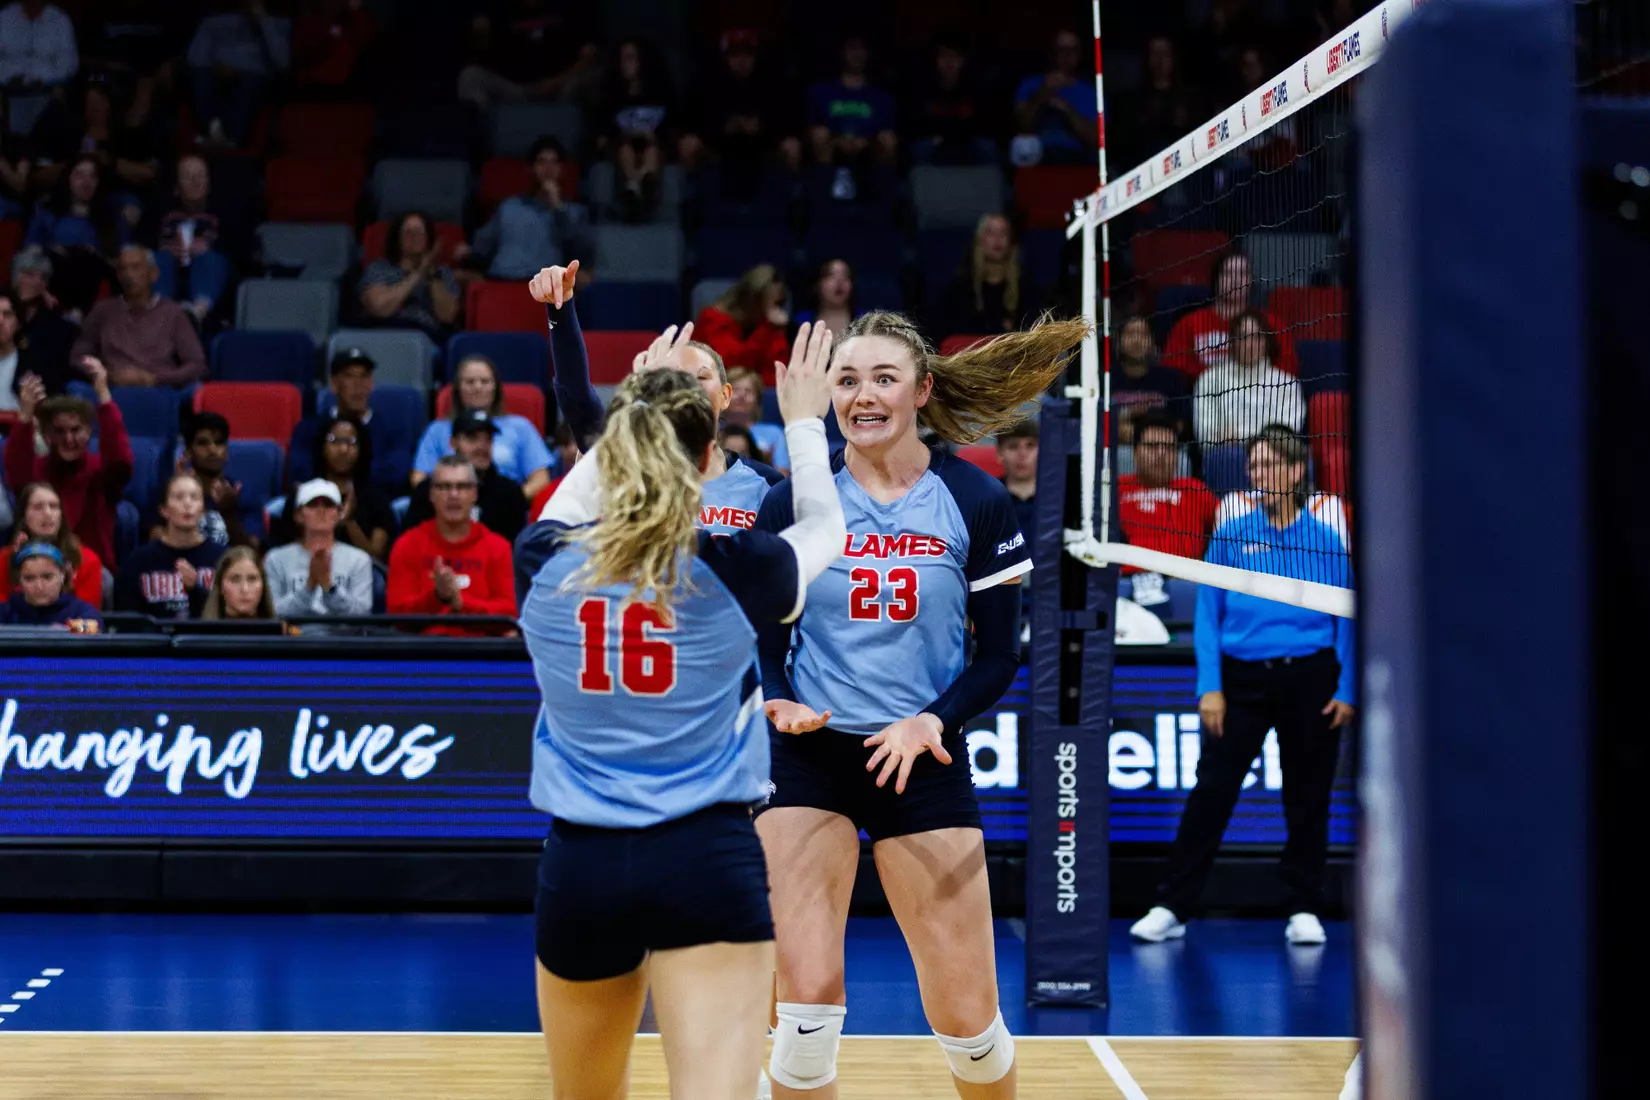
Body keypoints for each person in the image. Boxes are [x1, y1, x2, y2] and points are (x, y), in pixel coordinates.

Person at [753, 310, 1086, 1100]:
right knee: (801, 1022)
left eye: (883, 378)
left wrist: (934, 717)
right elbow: (763, 632)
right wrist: (777, 698)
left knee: (971, 1030)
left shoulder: (976, 500)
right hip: (810, 756)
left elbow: (1002, 653)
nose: (862, 396)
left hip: (924, 754)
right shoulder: (793, 496)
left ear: (922, 390)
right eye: (846, 379)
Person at [511, 318, 844, 1100]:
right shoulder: (738, 567)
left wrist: (638, 399)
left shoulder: (541, 559)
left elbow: (582, 492)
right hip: (704, 858)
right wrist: (802, 420)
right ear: (706, 460)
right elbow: (826, 525)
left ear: (622, 445)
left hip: (582, 866)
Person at [1130, 424, 1355, 947]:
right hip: (1242, 678)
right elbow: (1208, 612)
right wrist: (1210, 685)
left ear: (1297, 471)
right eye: (1254, 466)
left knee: (1308, 796)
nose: (1259, 474)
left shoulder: (1324, 539)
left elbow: (1349, 617)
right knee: (1212, 792)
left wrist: (1347, 688)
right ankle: (1172, 904)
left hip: (1312, 676)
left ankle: (1303, 905)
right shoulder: (1232, 532)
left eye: (1270, 464)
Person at [532, 262, 788, 540]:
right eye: (676, 377)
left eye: (701, 377)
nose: (688, 387)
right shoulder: (627, 464)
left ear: (726, 395)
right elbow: (577, 396)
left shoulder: (767, 485)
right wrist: (560, 309)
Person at [4, 361, 131, 568]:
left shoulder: (101, 471)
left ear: (89, 432)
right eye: (60, 431)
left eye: (75, 430)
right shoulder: (37, 470)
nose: (69, 439)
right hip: (37, 566)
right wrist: (26, 416)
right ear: (46, 436)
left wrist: (104, 396)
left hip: (91, 567)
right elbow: (17, 474)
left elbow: (120, 461)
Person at [387, 455, 515, 635]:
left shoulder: (498, 548)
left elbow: (510, 613)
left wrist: (461, 603)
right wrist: (436, 597)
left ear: (475, 494)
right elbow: (396, 615)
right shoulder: (407, 545)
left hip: (482, 656)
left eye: (462, 487)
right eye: (444, 487)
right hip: (421, 656)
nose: (453, 495)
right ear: (431, 494)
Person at [411, 354, 551, 498]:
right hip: (450, 504)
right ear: (458, 389)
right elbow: (419, 478)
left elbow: (541, 479)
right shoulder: (437, 429)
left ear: (495, 387)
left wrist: (510, 501)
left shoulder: (521, 427)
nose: (477, 387)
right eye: (470, 382)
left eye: (485, 382)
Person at [1117, 410, 1217, 607]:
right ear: (1135, 452)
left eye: (1169, 447)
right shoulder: (1115, 489)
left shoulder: (1194, 489)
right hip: (1126, 584)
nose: (1161, 454)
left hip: (1183, 583)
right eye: (1153, 446)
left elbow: (1228, 530)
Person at [70, 245, 208, 387]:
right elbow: (78, 356)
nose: (128, 275)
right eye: (123, 269)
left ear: (153, 274)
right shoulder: (102, 310)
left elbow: (196, 364)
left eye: (136, 267)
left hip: (159, 389)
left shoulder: (173, 313)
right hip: (112, 386)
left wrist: (155, 378)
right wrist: (105, 374)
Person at [286, 346, 415, 493]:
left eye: (364, 376)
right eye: (349, 376)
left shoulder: (393, 431)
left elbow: (395, 477)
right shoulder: (308, 429)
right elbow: (300, 474)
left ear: (371, 384)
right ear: (334, 384)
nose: (358, 385)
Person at [677, 29, 802, 179]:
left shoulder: (772, 81)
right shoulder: (707, 82)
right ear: (725, 57)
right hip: (719, 145)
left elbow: (785, 120)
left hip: (762, 144)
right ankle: (690, 192)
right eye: (735, 55)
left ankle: (795, 194)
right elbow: (694, 121)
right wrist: (724, 127)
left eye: (748, 54)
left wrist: (761, 126)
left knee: (792, 145)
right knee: (688, 144)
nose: (742, 61)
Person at [467, 136, 590, 280]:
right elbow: (483, 245)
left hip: (543, 289)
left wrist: (557, 207)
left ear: (562, 170)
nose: (548, 169)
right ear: (531, 169)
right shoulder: (509, 207)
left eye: (554, 162)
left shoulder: (575, 213)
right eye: (541, 162)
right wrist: (468, 250)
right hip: (501, 280)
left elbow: (580, 251)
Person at [1162, 252, 1300, 379]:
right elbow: (1173, 365)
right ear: (1216, 280)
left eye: (1242, 274)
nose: (1235, 281)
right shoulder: (1190, 323)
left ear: (1251, 281)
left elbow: (1288, 366)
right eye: (1228, 274)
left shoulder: (1270, 323)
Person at [25, 155, 127, 317]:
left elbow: (122, 261)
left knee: (85, 259)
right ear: (68, 179)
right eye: (79, 175)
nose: (86, 182)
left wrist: (94, 254)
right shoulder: (47, 211)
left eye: (92, 176)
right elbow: (31, 250)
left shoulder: (111, 218)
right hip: (53, 272)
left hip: (93, 277)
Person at [405, 409, 527, 543]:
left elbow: (516, 552)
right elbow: (410, 544)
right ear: (453, 443)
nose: (482, 446)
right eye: (472, 438)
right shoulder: (428, 490)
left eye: (488, 439)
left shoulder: (509, 493)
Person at [455, 0, 599, 110]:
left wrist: (557, 82)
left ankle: (593, 141)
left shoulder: (568, 6)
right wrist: (480, 34)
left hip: (562, 88)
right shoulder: (499, 10)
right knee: (470, 76)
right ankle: (483, 142)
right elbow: (482, 54)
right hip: (514, 89)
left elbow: (589, 55)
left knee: (593, 77)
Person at [186, 0, 291, 149]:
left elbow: (282, 63)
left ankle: (232, 139)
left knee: (251, 80)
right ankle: (210, 132)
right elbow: (195, 57)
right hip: (215, 72)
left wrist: (263, 20)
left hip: (256, 77)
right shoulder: (214, 22)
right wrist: (215, 67)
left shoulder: (280, 24)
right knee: (199, 75)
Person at [262, 479, 375, 618]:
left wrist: (329, 588)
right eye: (313, 504)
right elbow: (271, 612)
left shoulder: (359, 560)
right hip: (292, 638)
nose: (321, 510)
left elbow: (362, 614)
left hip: (343, 638)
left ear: (339, 514)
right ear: (298, 515)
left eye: (328, 505)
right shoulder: (275, 559)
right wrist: (309, 587)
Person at [1192, 310, 1305, 447]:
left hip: (1273, 459)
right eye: (1243, 337)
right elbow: (1204, 434)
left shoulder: (1287, 383)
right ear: (1233, 342)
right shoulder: (1210, 379)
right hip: (1228, 458)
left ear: (1266, 342)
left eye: (1257, 337)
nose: (1250, 344)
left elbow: (1289, 432)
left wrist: (1239, 438)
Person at [146, 154, 238, 323]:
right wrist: (165, 247)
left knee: (212, 260)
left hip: (207, 276)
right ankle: (160, 317)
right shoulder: (159, 213)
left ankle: (195, 316)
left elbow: (238, 253)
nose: (195, 181)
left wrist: (207, 247)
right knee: (158, 259)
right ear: (176, 187)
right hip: (169, 270)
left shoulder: (225, 215)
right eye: (188, 176)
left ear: (209, 184)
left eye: (200, 176)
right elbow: (141, 245)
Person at [114, 473, 220, 619]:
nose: (187, 504)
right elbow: (127, 621)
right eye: (179, 497)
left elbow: (225, 614)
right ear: (164, 510)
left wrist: (196, 589)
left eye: (194, 497)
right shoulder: (138, 562)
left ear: (203, 510)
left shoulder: (221, 558)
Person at [595, 37, 675, 223]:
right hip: (623, 146)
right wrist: (626, 136)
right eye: (625, 59)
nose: (628, 64)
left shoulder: (661, 93)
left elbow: (671, 127)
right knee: (626, 150)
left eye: (633, 58)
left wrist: (652, 136)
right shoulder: (610, 96)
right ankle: (633, 189)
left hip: (653, 145)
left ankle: (647, 186)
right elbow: (603, 130)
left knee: (651, 150)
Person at [298, 414, 395, 560]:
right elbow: (291, 551)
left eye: (351, 442)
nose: (343, 449)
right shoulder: (305, 494)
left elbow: (376, 557)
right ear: (322, 446)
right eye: (334, 441)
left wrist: (349, 523)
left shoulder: (376, 498)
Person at [358, 210, 460, 340]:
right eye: (407, 232)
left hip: (426, 337)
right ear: (397, 239)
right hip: (384, 332)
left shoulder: (443, 273)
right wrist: (419, 272)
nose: (414, 236)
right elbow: (381, 309)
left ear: (428, 238)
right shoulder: (379, 268)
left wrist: (432, 274)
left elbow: (447, 316)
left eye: (419, 231)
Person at [0, 482, 105, 607]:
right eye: (38, 507)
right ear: (24, 516)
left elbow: (87, 618)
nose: (48, 513)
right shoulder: (5, 559)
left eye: (54, 506)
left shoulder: (87, 560)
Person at [938, 213, 1038, 338]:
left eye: (1003, 233)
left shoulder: (1024, 282)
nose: (998, 239)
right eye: (990, 233)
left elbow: (1032, 326)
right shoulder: (962, 283)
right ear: (979, 239)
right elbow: (951, 326)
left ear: (1011, 240)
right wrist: (999, 327)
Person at [906, 34, 998, 167]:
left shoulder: (977, 88)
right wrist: (941, 136)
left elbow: (983, 126)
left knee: (987, 147)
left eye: (955, 57)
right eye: (944, 56)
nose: (949, 62)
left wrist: (955, 134)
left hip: (967, 143)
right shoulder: (922, 89)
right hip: (935, 142)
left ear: (963, 60)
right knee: (921, 148)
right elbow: (918, 126)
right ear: (935, 60)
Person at [807, 36, 898, 168]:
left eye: (862, 49)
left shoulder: (882, 97)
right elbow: (812, 130)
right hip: (831, 151)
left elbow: (886, 132)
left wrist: (865, 142)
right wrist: (838, 141)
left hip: (869, 152)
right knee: (819, 135)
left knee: (888, 140)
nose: (857, 54)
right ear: (842, 52)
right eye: (852, 48)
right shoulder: (820, 91)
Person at [1012, 30, 1098, 167]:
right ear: (1052, 53)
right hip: (1036, 155)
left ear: (1080, 54)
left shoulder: (1091, 92)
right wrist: (1043, 93)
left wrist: (1066, 109)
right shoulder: (1030, 85)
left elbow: (1095, 139)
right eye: (1061, 50)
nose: (1066, 56)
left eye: (1072, 50)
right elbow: (1022, 126)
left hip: (1075, 157)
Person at [170, 409, 254, 550]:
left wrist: (229, 514)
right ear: (188, 452)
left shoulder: (239, 493)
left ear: (226, 452)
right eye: (203, 443)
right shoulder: (171, 494)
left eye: (219, 442)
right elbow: (158, 541)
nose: (213, 450)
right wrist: (183, 495)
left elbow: (253, 552)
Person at [695, 264, 789, 380]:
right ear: (752, 300)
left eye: (778, 304)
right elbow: (731, 364)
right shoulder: (713, 319)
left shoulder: (767, 325)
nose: (774, 311)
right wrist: (767, 329)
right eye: (768, 304)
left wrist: (776, 333)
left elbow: (775, 375)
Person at [1112, 314, 1191, 446]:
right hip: (1119, 448)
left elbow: (1182, 425)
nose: (1137, 341)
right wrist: (1127, 414)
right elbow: (1097, 424)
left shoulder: (1172, 379)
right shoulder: (1107, 378)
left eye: (1143, 334)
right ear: (1119, 342)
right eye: (1130, 334)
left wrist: (1142, 434)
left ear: (1153, 342)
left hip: (1163, 447)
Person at [1119, 36, 1197, 167]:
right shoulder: (1133, 100)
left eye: (1165, 54)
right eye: (1155, 54)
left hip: (1182, 164)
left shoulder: (1188, 97)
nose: (1160, 60)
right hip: (1146, 165)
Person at [8, 249, 76, 395]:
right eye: (26, 273)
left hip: (39, 396)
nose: (33, 282)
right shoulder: (3, 311)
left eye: (40, 277)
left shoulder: (56, 326)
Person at [0, 542, 101, 630]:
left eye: (47, 577)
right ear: (20, 580)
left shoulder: (82, 612)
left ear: (62, 576)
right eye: (29, 578)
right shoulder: (5, 612)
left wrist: (65, 630)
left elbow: (94, 629)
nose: (39, 586)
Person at [723, 368, 788, 471]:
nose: (742, 395)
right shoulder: (711, 431)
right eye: (735, 390)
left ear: (757, 401)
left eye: (748, 391)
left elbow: (783, 476)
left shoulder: (775, 433)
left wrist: (765, 463)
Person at [200, 543, 275, 619]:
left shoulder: (280, 629)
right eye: (235, 580)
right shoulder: (200, 631)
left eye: (252, 579)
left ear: (263, 585)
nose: (245, 589)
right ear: (220, 586)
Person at [791, 257, 857, 342]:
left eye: (846, 276)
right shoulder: (799, 323)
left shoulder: (866, 321)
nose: (840, 281)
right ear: (817, 285)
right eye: (831, 275)